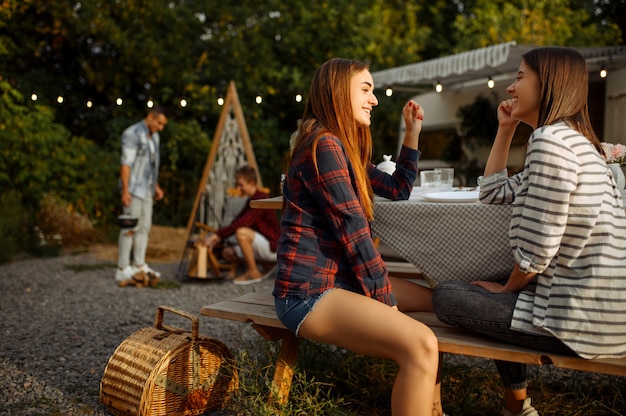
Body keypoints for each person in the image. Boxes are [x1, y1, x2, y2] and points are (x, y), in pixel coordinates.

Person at [431, 47, 626, 416]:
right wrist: (506, 130)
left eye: (520, 77)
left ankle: (517, 407)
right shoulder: (579, 144)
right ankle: (517, 408)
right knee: (494, 284)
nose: (510, 88)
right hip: (607, 317)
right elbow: (492, 192)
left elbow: (535, 254)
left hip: (578, 322)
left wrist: (505, 290)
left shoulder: (550, 143)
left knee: (447, 294)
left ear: (548, 82)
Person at [273, 58, 443, 416]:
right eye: (365, 90)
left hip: (341, 282)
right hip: (309, 294)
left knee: (437, 303)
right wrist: (386, 301)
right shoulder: (324, 146)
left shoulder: (343, 149)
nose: (374, 100)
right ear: (337, 93)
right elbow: (354, 233)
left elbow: (398, 189)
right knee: (421, 342)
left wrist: (411, 134)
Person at [115, 106, 168, 283]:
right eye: (159, 123)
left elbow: (151, 166)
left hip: (147, 189)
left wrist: (156, 186)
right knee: (129, 226)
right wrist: (125, 191)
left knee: (144, 226)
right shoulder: (132, 133)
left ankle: (139, 264)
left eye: (163, 124)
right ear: (150, 117)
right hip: (133, 188)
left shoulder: (155, 137)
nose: (161, 127)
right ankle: (122, 268)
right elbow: (125, 164)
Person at [202, 165, 280, 285]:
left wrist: (218, 235)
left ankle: (254, 272)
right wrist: (218, 237)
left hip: (272, 248)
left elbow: (242, 223)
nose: (238, 188)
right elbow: (236, 221)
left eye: (241, 185)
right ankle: (266, 265)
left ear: (251, 183)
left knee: (242, 232)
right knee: (227, 252)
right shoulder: (251, 200)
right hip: (261, 247)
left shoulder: (261, 200)